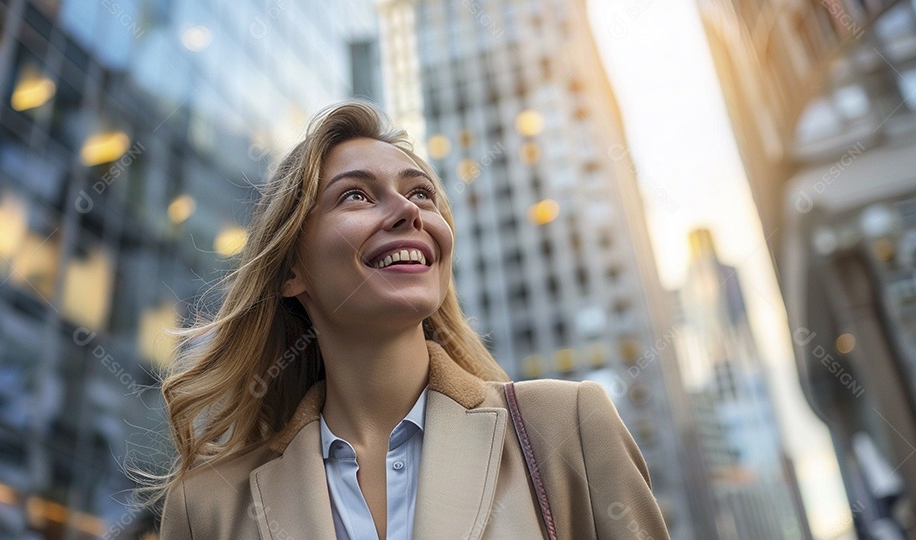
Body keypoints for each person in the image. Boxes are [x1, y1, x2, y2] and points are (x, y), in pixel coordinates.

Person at [158, 101, 668, 539]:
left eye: (421, 193)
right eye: (355, 194)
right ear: (293, 270)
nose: (408, 211)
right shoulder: (208, 509)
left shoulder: (567, 426)